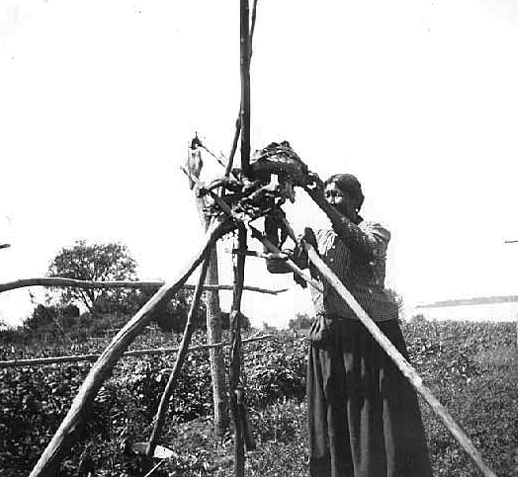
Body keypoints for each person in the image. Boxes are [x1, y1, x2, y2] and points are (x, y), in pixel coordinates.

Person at [266, 173, 433, 477]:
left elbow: (364, 247)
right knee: (336, 417)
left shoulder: (374, 231)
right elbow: (279, 264)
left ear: (357, 200)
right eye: (327, 194)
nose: (330, 199)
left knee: (373, 417)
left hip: (369, 336)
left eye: (337, 194)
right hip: (330, 338)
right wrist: (271, 223)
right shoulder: (317, 235)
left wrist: (321, 204)